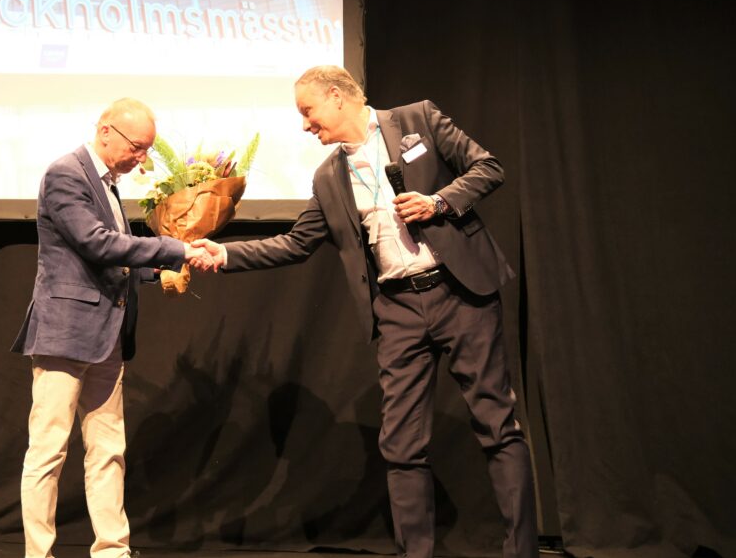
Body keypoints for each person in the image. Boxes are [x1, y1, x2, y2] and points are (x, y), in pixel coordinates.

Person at [192, 66, 538, 558]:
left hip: (460, 293)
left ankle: (520, 551)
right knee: (400, 445)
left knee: (498, 425)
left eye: (308, 112)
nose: (306, 125)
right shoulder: (329, 176)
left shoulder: (419, 120)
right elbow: (296, 243)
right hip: (397, 309)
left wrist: (439, 202)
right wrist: (224, 254)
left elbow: (488, 168)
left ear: (336, 97)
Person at [11, 97, 211, 558]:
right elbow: (96, 244)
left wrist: (155, 274)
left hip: (108, 337)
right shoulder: (66, 174)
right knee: (48, 452)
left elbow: (113, 263)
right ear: (106, 132)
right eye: (138, 148)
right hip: (66, 332)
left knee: (108, 450)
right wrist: (173, 251)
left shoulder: (108, 183)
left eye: (147, 150)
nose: (142, 158)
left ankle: (111, 551)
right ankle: (38, 555)